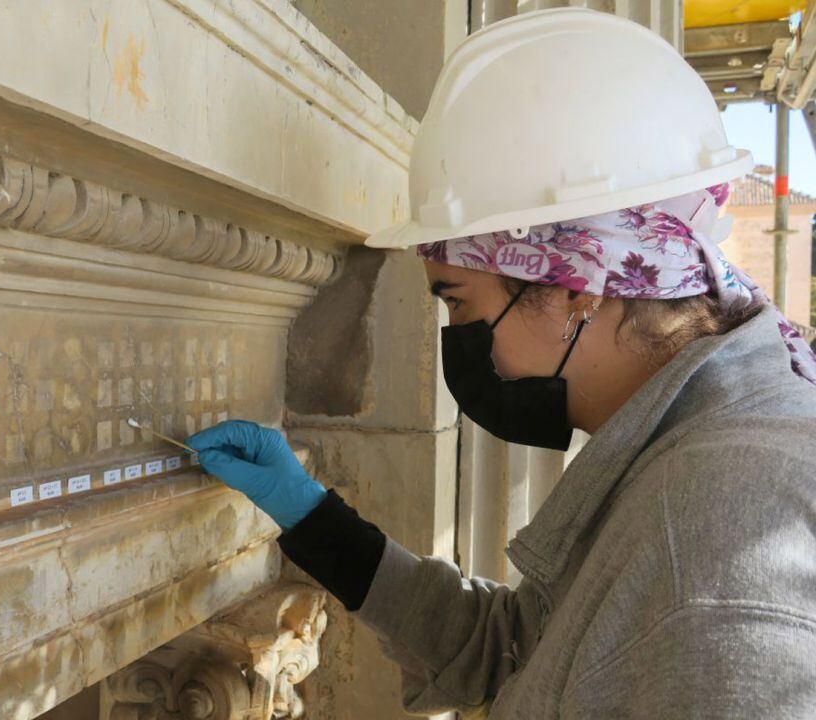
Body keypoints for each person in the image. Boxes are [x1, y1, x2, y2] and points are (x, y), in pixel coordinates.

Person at [187, 7, 816, 718]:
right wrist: (313, 517)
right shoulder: (684, 450)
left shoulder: (715, 541)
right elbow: (521, 650)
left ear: (574, 287)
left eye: (456, 302)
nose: (454, 335)